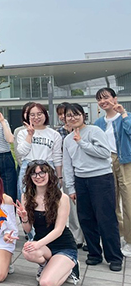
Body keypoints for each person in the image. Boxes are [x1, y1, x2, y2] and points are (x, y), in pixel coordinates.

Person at [63, 103, 123, 271]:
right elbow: (68, 166)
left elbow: (105, 153)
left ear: (83, 115)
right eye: (69, 115)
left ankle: (114, 257)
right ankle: (94, 254)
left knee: (106, 219)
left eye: (76, 114)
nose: (72, 117)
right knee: (86, 219)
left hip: (101, 179)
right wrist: (72, 188)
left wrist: (82, 142)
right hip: (81, 181)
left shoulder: (94, 131)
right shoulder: (67, 140)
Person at [17, 161, 79, 286]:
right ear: (29, 177)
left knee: (46, 284)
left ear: (49, 174)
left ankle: (71, 268)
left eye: (42, 172)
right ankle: (46, 264)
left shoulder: (62, 198)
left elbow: (59, 230)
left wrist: (37, 244)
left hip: (63, 246)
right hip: (44, 247)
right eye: (34, 174)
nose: (38, 177)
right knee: (27, 251)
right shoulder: (26, 197)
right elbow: (28, 229)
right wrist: (24, 218)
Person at [94, 87, 131, 257]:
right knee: (112, 202)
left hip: (124, 161)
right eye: (100, 99)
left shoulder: (125, 116)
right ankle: (120, 236)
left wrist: (123, 115)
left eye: (106, 97)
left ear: (114, 98)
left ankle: (130, 241)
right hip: (105, 163)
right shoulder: (99, 123)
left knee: (128, 202)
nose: (103, 101)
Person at [15, 103, 62, 203]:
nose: (36, 117)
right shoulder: (22, 133)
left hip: (48, 166)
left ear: (45, 115)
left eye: (39, 114)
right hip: (28, 166)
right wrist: (30, 135)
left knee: (50, 200)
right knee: (27, 198)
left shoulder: (54, 134)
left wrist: (59, 176)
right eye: (32, 115)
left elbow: (57, 156)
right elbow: (22, 152)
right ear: (27, 117)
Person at [55, 102, 84, 249]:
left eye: (65, 113)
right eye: (61, 114)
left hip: (84, 171)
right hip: (68, 171)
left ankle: (89, 237)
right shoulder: (60, 132)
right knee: (72, 208)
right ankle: (77, 236)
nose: (63, 117)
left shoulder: (85, 130)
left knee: (86, 206)